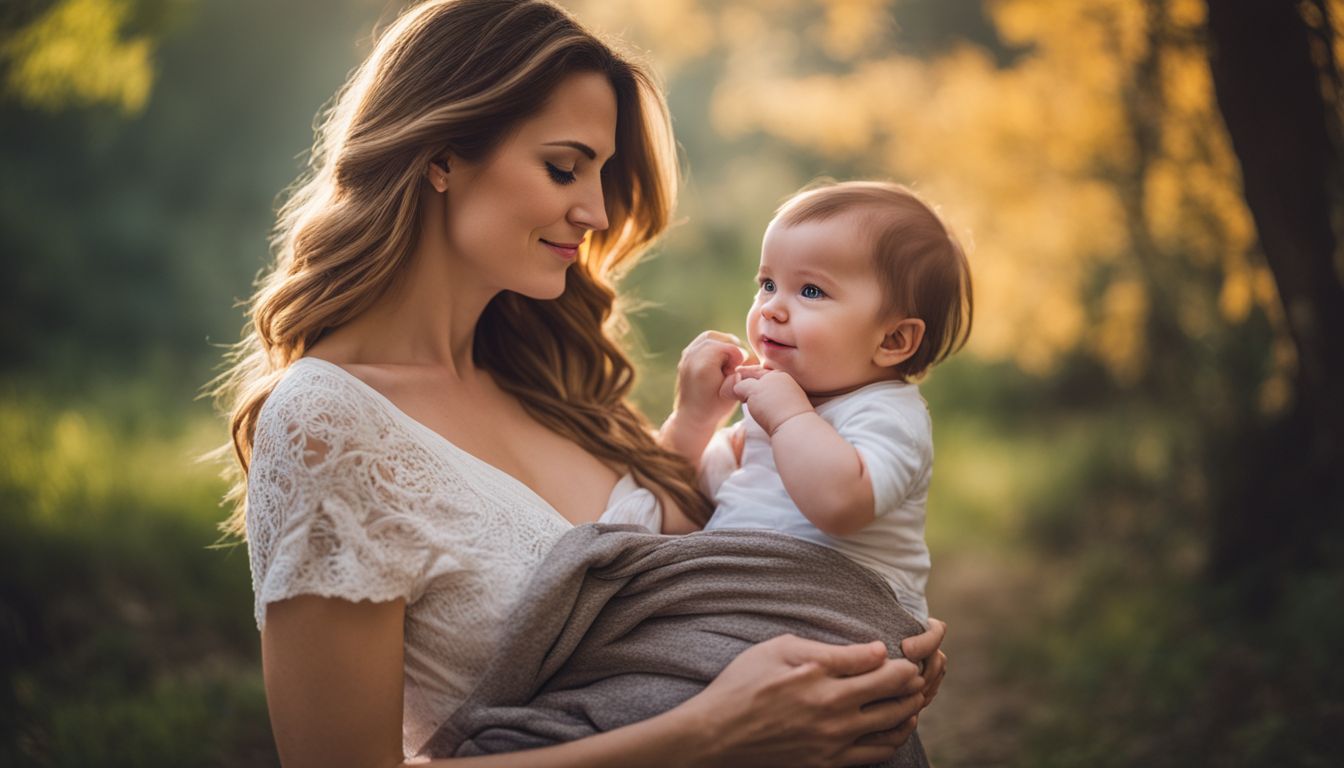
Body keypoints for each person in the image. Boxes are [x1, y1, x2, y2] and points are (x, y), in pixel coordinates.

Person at [214, 1, 948, 766]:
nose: (595, 209)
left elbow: (743, 569)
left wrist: (866, 656)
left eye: (601, 173)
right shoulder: (330, 425)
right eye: (564, 168)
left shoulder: (551, 382)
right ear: (440, 156)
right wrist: (713, 732)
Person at [659, 181, 973, 630]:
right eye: (767, 284)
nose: (771, 308)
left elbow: (840, 505)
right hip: (736, 599)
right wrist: (694, 417)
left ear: (893, 339)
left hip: (835, 613)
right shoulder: (774, 405)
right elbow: (674, 497)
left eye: (810, 292)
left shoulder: (888, 415)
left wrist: (788, 417)